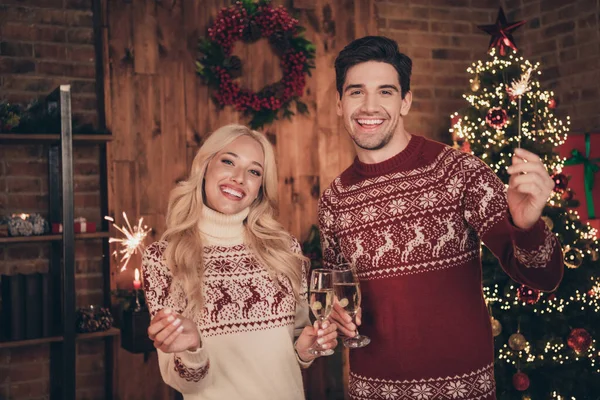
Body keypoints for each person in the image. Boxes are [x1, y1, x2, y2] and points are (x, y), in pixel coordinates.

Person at [320, 36, 564, 400]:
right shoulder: (334, 199)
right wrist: (336, 320)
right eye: (356, 92)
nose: (370, 106)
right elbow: (337, 304)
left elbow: (544, 277)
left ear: (405, 102)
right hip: (371, 392)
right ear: (339, 103)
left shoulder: (458, 171)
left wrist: (527, 226)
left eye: (385, 92)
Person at [141, 124, 337, 400]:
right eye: (228, 161)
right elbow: (184, 383)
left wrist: (305, 350)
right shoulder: (164, 259)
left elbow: (295, 344)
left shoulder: (283, 249)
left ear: (260, 187)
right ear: (205, 166)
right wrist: (193, 349)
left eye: (254, 171)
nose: (239, 178)